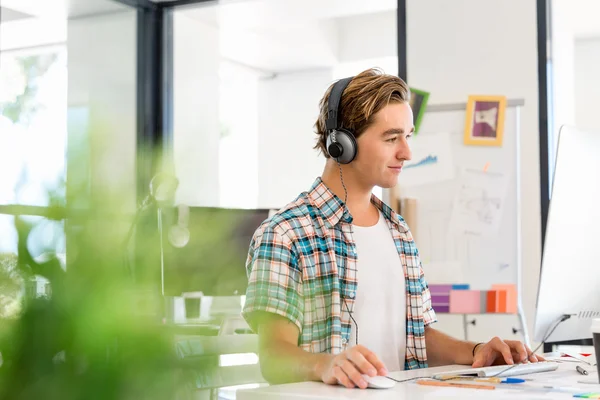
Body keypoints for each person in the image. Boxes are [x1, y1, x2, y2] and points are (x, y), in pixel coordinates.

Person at [241, 68, 542, 389]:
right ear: (341, 143)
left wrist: (479, 351)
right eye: (391, 137)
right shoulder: (285, 233)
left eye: (408, 136)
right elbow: (273, 357)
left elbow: (416, 337)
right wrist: (326, 364)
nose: (407, 152)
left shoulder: (397, 229)